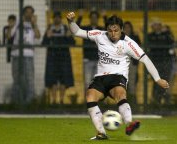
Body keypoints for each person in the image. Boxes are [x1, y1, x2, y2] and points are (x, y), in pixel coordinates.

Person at [66, 12, 169, 140]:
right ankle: (101, 133)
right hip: (101, 77)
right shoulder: (99, 35)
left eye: (116, 30)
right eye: (110, 30)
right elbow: (77, 32)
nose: (113, 34)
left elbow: (145, 59)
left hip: (118, 77)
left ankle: (129, 123)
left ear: (121, 29)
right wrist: (71, 22)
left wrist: (157, 79)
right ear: (106, 30)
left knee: (120, 94)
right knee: (90, 96)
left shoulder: (128, 43)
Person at [8, 5, 41, 104]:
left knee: (29, 79)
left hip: (28, 55)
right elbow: (9, 35)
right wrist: (13, 24)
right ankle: (16, 101)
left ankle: (29, 102)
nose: (29, 14)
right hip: (16, 55)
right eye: (27, 12)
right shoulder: (17, 22)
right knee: (17, 79)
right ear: (23, 13)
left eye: (31, 12)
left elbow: (38, 36)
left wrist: (34, 24)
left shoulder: (33, 24)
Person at [42, 11, 75, 104]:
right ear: (53, 19)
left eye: (58, 17)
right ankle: (53, 101)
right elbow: (43, 43)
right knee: (52, 80)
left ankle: (61, 100)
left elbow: (73, 43)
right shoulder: (49, 28)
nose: (57, 19)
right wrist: (48, 37)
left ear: (61, 19)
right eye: (55, 17)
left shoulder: (65, 28)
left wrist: (69, 36)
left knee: (63, 80)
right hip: (52, 58)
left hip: (64, 58)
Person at [76, 10, 104, 94]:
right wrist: (80, 17)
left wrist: (105, 17)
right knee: (87, 83)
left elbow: (108, 29)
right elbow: (76, 29)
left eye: (95, 18)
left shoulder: (101, 29)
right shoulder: (86, 29)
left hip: (98, 60)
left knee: (97, 83)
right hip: (87, 59)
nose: (94, 19)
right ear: (90, 19)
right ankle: (87, 103)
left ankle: (95, 103)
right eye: (92, 18)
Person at [148, 20, 174, 105]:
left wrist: (167, 32)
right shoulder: (150, 36)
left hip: (165, 62)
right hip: (155, 62)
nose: (156, 26)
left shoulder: (166, 35)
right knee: (156, 81)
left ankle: (165, 101)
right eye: (154, 25)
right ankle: (156, 101)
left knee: (165, 81)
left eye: (157, 24)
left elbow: (172, 42)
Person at [123, 21, 141, 103]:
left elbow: (139, 49)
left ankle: (133, 103)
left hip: (132, 63)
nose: (127, 29)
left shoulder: (135, 37)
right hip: (121, 64)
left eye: (128, 27)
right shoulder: (119, 37)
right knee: (122, 84)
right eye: (125, 27)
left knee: (132, 84)